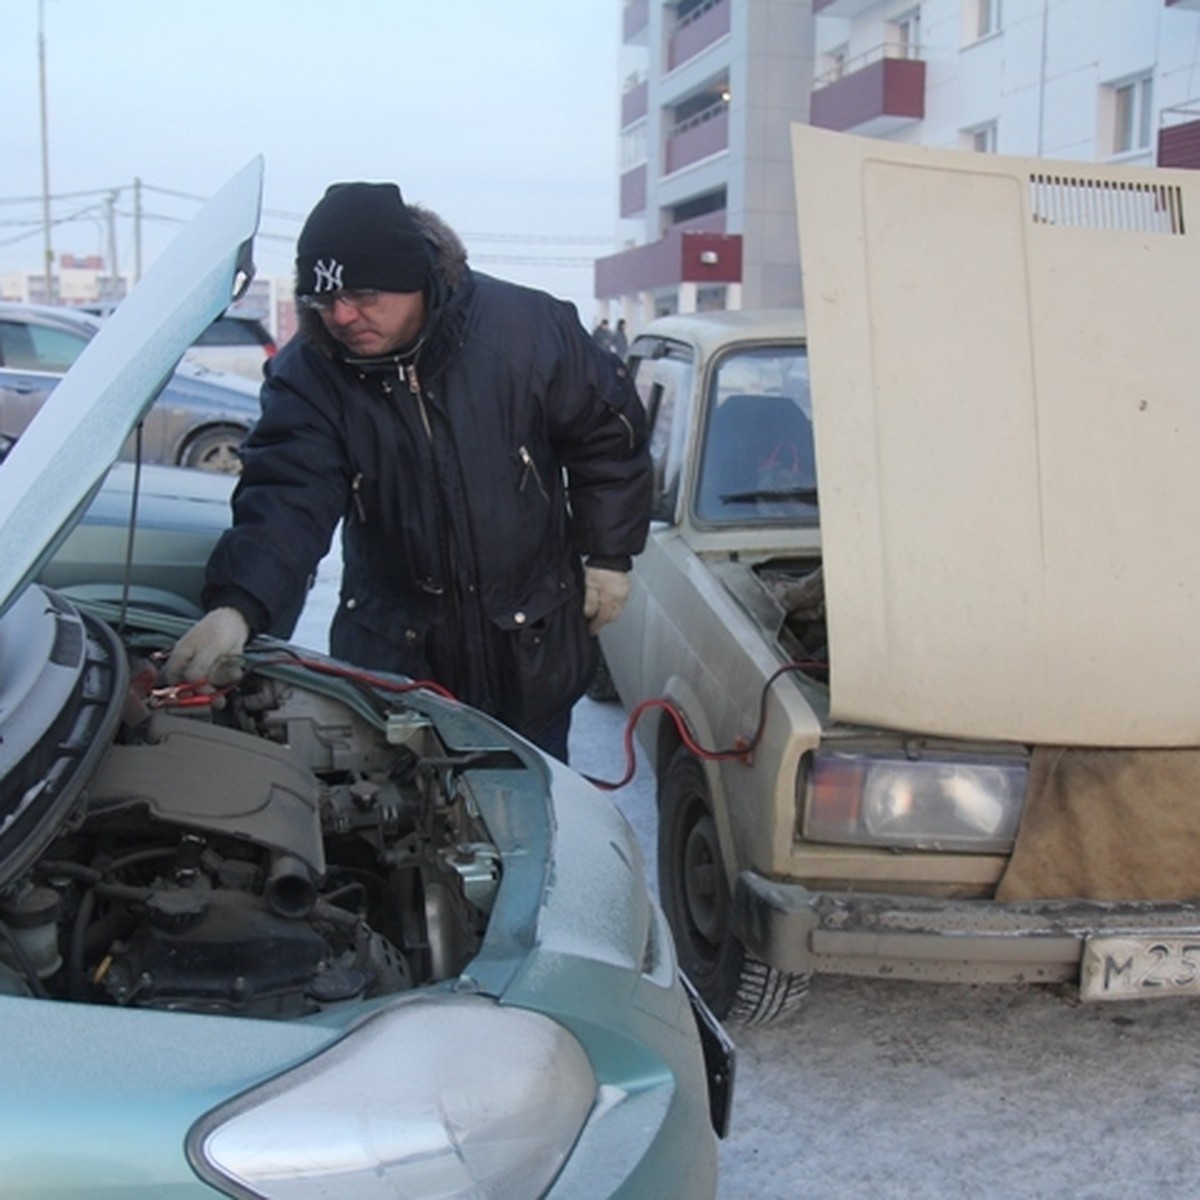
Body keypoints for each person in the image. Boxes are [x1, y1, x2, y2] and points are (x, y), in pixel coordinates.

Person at [164, 182, 652, 763]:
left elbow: (609, 436)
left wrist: (608, 556)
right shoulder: (313, 374)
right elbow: (288, 496)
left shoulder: (528, 332)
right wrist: (240, 606)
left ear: (415, 276)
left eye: (363, 294)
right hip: (397, 666)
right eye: (323, 300)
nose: (341, 316)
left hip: (531, 647)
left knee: (532, 815)